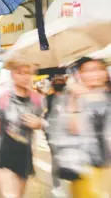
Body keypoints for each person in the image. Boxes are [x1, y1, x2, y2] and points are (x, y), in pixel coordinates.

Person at [0, 56, 44, 198]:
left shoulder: (37, 99)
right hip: (2, 152)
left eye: (28, 72)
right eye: (20, 72)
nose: (25, 76)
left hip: (24, 154)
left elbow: (41, 124)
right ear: (12, 73)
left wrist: (39, 124)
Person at [46, 57, 111, 198]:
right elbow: (62, 132)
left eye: (99, 69)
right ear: (80, 74)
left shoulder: (107, 96)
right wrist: (73, 104)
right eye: (88, 70)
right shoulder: (70, 96)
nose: (95, 74)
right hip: (85, 168)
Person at [42, 76, 66, 197]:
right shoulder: (48, 98)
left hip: (66, 134)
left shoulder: (70, 98)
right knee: (56, 159)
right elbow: (43, 113)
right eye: (56, 82)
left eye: (60, 82)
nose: (59, 83)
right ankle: (57, 186)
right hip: (53, 134)